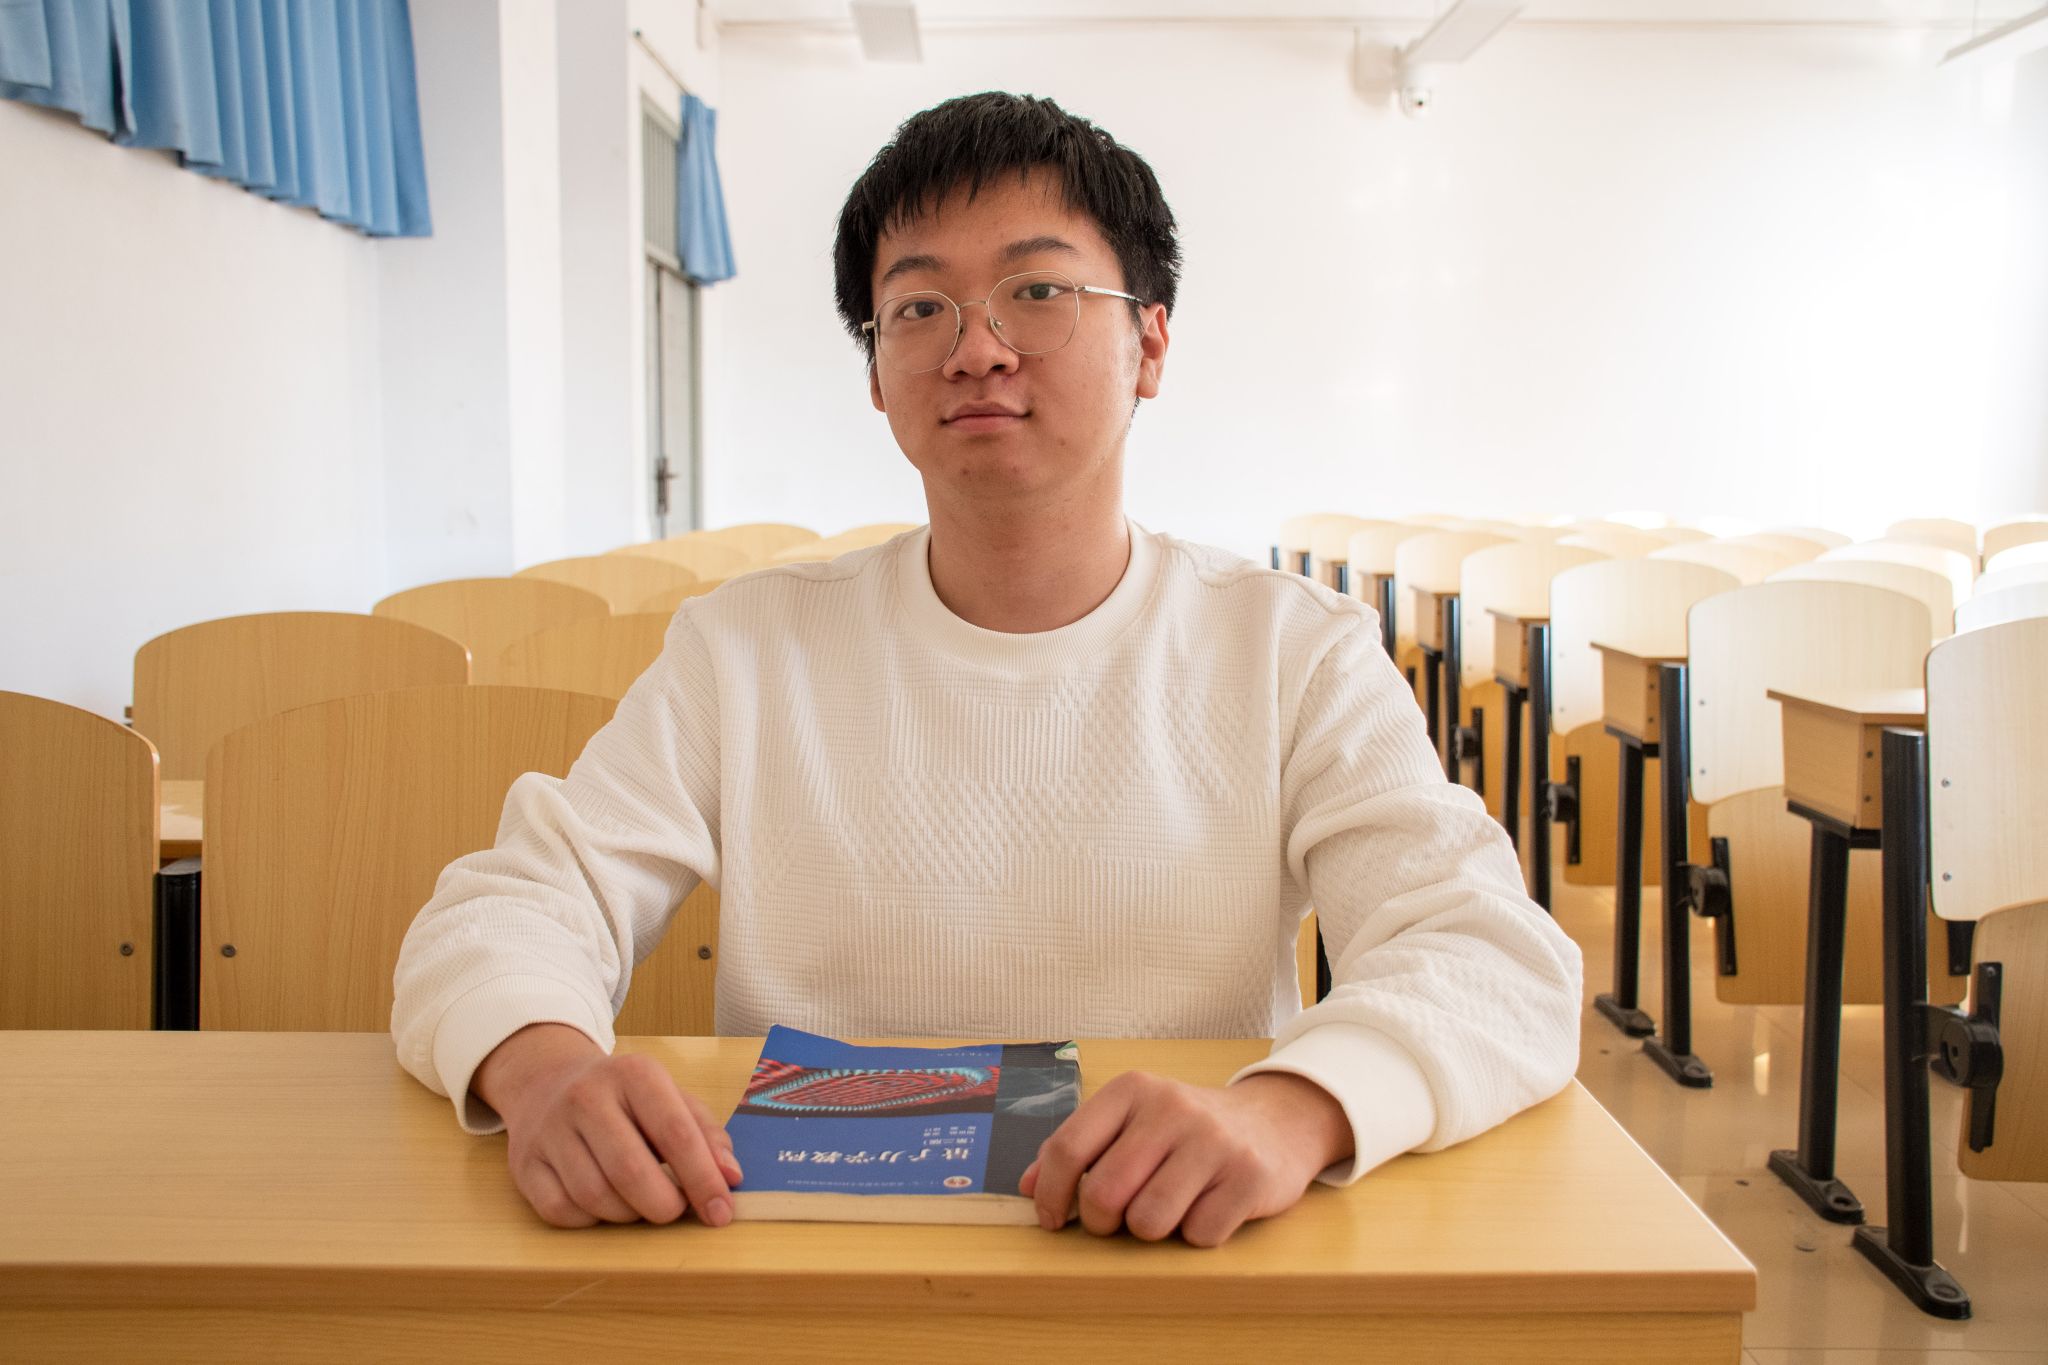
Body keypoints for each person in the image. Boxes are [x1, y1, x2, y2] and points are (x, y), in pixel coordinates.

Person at [391, 92, 1582, 1248]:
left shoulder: (1290, 650)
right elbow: (511, 907)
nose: (976, 350)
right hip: (802, 1255)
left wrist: (1290, 1111)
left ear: (1148, 343)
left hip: (1175, 1247)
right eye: (918, 308)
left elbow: (1488, 955)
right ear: (875, 374)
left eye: (1038, 292)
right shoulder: (744, 648)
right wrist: (544, 1068)